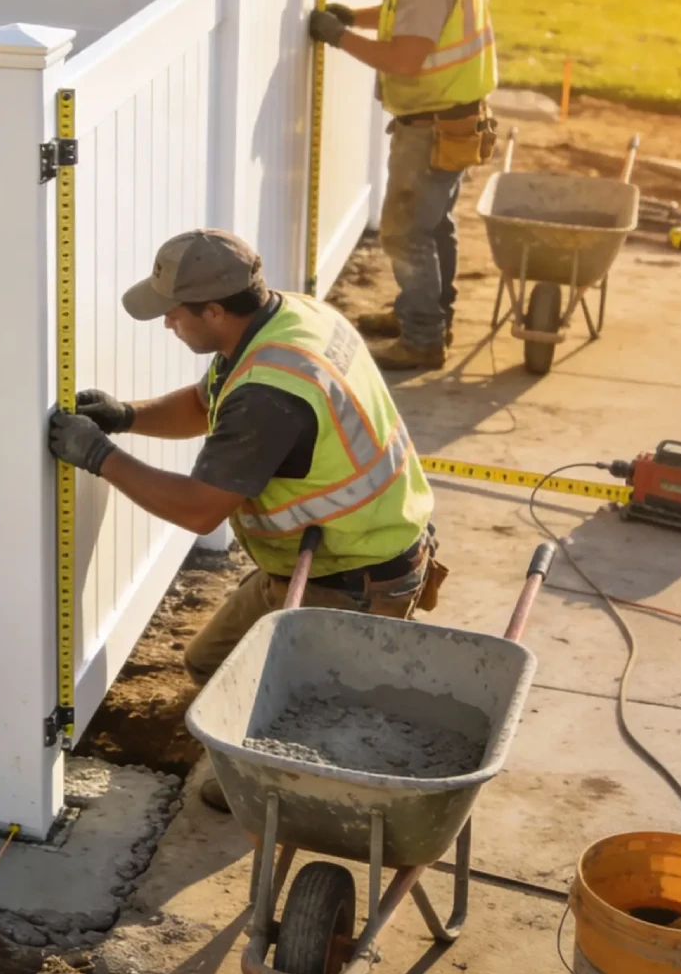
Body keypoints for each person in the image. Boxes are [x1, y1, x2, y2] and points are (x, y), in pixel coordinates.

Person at [47, 228, 444, 811]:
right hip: (333, 551)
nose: (166, 323)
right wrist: (127, 416)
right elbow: (208, 402)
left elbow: (199, 508)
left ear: (213, 310)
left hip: (354, 578)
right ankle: (271, 766)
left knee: (309, 711)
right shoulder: (287, 320)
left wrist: (101, 457)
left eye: (174, 312)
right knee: (211, 662)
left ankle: (287, 796)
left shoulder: (269, 394)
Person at [308, 0, 498, 371]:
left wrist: (340, 37)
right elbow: (411, 23)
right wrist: (355, 18)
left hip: (432, 125)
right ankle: (427, 313)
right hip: (453, 116)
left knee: (405, 233)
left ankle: (422, 338)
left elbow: (405, 58)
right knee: (433, 227)